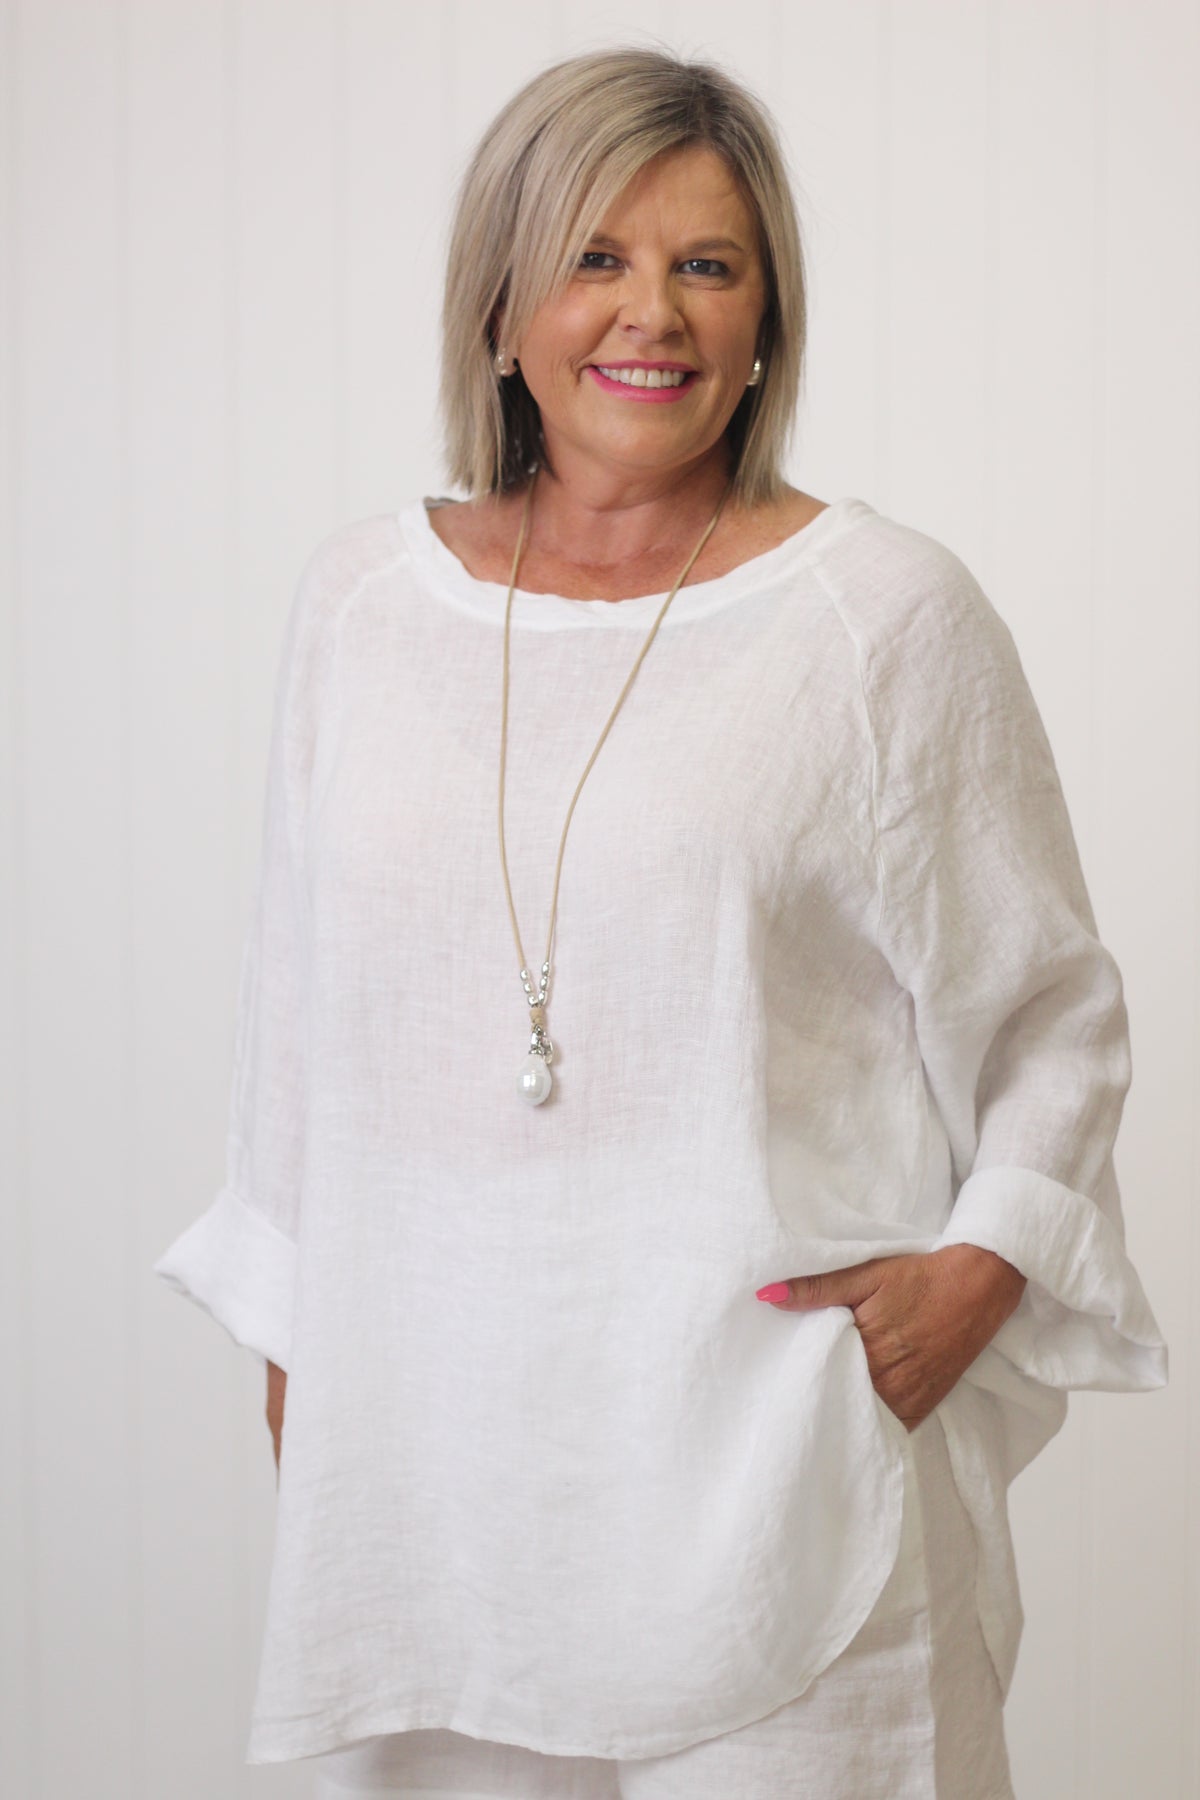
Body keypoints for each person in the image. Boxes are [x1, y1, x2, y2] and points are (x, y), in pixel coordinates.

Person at [152, 44, 1167, 1800]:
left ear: (768, 320)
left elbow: (1052, 1014)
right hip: (430, 1476)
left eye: (709, 265)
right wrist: (303, 1354)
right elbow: (298, 1027)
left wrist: (979, 1268)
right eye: (595, 258)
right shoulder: (364, 607)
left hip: (780, 1473)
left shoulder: (883, 618)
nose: (655, 313)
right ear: (501, 312)